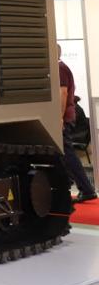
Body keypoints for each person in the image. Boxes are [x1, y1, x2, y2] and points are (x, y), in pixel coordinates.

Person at [59, 48, 96, 202]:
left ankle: (86, 189)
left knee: (67, 154)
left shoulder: (60, 69)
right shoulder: (61, 68)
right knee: (64, 154)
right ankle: (76, 186)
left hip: (62, 118)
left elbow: (63, 93)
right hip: (64, 117)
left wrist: (59, 117)